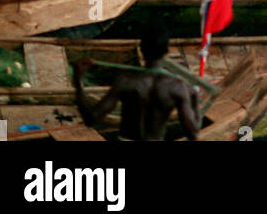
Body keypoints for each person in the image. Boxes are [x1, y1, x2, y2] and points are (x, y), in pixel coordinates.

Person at [71, 29, 201, 142]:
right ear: (166, 51)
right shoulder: (177, 86)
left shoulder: (126, 81)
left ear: (142, 48)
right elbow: (193, 134)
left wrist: (78, 80)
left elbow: (91, 119)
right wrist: (194, 101)